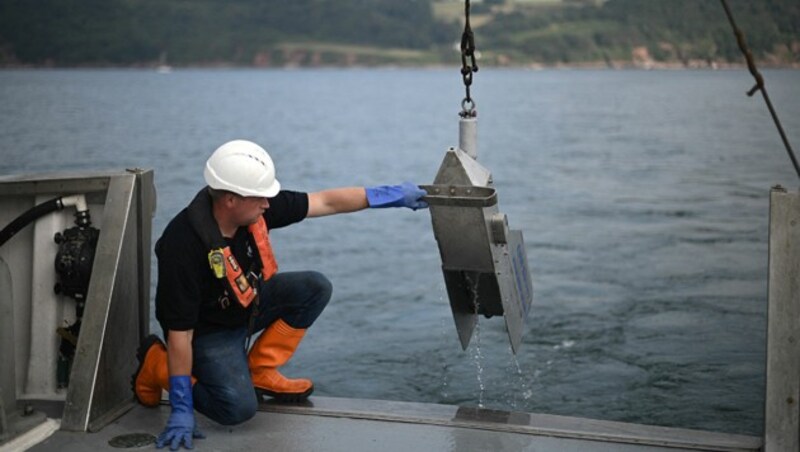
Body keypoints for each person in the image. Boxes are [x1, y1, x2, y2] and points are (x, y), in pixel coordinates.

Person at [132, 139, 428, 450]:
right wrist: (180, 406)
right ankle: (156, 365)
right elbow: (180, 332)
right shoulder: (182, 245)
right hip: (210, 332)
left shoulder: (255, 209)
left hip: (248, 305)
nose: (268, 205)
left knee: (314, 287)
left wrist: (388, 196)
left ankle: (260, 369)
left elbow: (325, 202)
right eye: (261, 198)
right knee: (236, 409)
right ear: (231, 199)